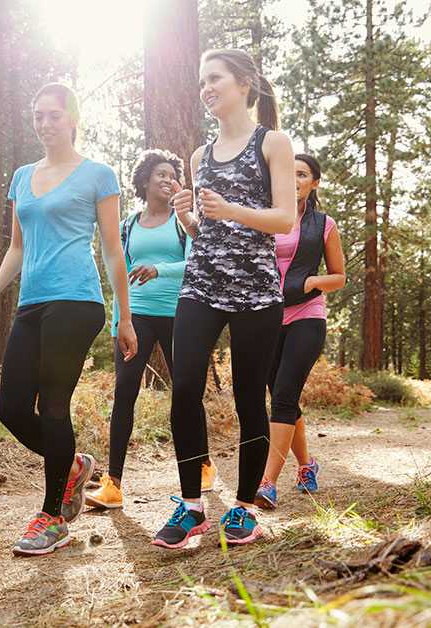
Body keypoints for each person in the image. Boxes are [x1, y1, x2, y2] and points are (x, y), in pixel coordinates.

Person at [0, 83, 137, 556]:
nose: (44, 123)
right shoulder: (23, 176)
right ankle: (71, 465)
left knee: (53, 405)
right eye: (37, 115)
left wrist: (123, 317)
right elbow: (17, 247)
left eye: (53, 115)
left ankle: (51, 517)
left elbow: (112, 249)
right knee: (10, 408)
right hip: (32, 302)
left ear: (72, 118)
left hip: (77, 299)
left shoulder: (97, 175)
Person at [151, 49, 296, 549]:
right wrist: (189, 216)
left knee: (247, 395)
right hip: (202, 283)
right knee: (185, 384)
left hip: (255, 289)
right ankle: (191, 506)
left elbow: (284, 219)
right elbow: (205, 232)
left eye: (214, 79)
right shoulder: (200, 155)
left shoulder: (272, 142)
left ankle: (244, 508)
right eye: (201, 81)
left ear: (243, 84)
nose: (205, 88)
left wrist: (232, 207)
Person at [86, 149, 216, 510]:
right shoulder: (128, 224)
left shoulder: (182, 221)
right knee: (124, 393)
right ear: (144, 180)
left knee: (186, 394)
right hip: (137, 314)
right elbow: (119, 273)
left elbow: (196, 262)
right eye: (159, 173)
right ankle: (113, 484)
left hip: (181, 313)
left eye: (172, 174)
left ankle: (202, 465)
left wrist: (161, 269)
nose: (166, 179)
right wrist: (118, 321)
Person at [255, 154, 346, 509]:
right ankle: (307, 466)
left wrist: (310, 281)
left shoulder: (323, 224)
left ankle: (267, 483)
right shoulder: (264, 218)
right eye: (288, 171)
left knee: (283, 395)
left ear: (314, 182)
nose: (294, 178)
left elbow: (339, 277)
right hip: (265, 317)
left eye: (302, 174)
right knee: (283, 398)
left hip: (307, 315)